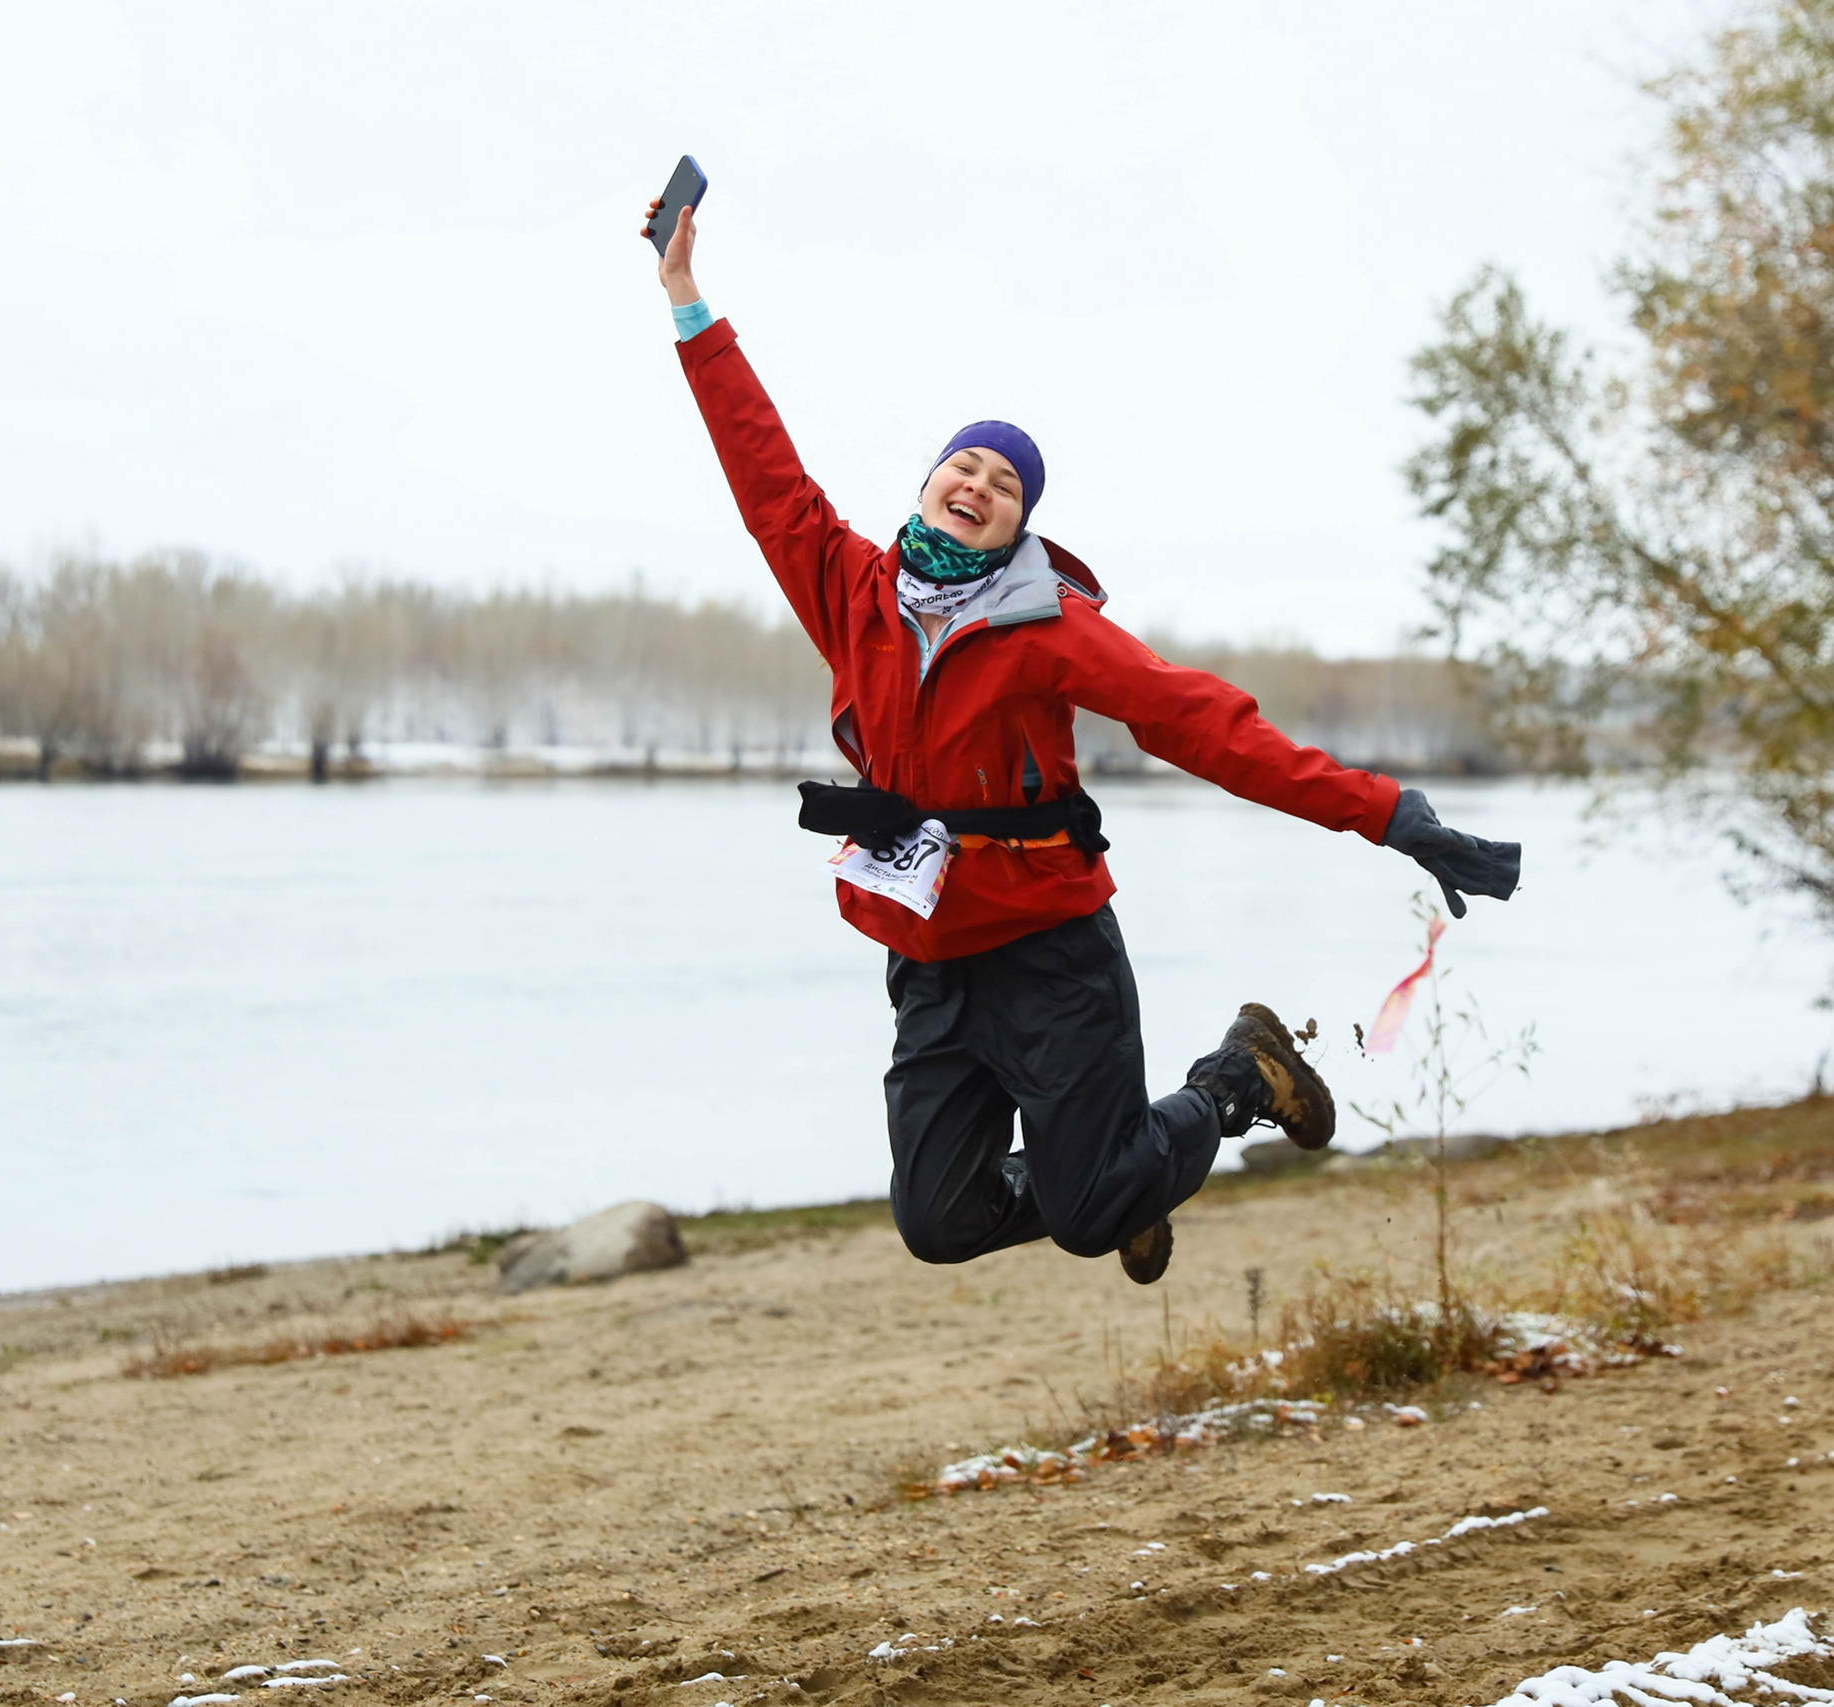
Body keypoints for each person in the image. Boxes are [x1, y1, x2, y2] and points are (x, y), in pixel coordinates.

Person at [644, 197, 1520, 1285]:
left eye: (1003, 485)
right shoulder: (848, 589)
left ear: (1021, 526)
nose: (977, 485)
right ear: (926, 485)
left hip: (1050, 953)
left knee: (1090, 1201)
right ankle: (1126, 1179)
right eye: (963, 467)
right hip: (927, 959)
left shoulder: (1050, 630)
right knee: (938, 1222)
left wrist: (1391, 814)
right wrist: (687, 301)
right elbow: (762, 473)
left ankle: (1236, 1078)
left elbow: (1206, 726)